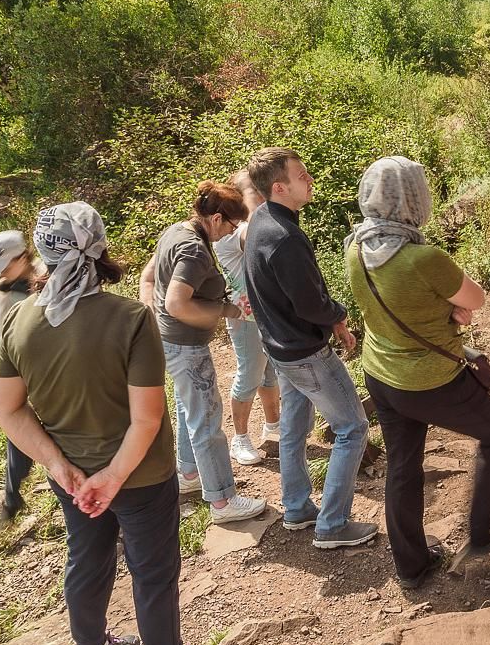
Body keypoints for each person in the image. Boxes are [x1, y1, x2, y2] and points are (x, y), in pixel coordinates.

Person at [0, 202, 182, 645]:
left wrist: (59, 467)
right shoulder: (131, 317)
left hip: (72, 477)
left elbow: (5, 407)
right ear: (97, 245)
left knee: (87, 560)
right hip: (142, 475)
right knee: (153, 576)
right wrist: (112, 478)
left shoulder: (19, 317)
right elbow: (146, 417)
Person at [344, 156, 490, 589]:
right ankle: (479, 534)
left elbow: (401, 305)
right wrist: (454, 312)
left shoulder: (356, 247)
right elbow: (474, 300)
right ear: (414, 199)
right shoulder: (424, 257)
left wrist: (447, 310)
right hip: (431, 381)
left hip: (381, 374)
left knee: (403, 465)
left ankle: (411, 566)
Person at [243, 147, 377, 549]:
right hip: (304, 352)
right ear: (280, 187)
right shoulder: (283, 237)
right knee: (353, 428)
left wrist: (329, 316)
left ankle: (298, 508)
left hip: (280, 347)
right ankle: (333, 525)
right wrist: (337, 315)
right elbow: (309, 304)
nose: (310, 179)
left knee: (294, 429)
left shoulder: (262, 221)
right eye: (302, 175)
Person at [139, 182, 267, 524]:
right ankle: (223, 501)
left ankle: (190, 474)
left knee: (187, 408)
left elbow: (149, 277)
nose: (229, 233)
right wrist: (227, 311)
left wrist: (154, 317)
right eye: (229, 225)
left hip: (170, 340)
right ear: (215, 218)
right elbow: (177, 303)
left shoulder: (175, 231)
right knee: (207, 418)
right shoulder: (194, 250)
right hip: (186, 346)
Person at [213, 169, 281, 465]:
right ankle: (239, 438)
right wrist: (247, 186)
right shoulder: (228, 235)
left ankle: (274, 426)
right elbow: (254, 229)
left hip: (263, 312)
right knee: (250, 372)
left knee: (269, 373)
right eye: (254, 191)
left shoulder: (235, 227)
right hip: (243, 316)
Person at [0, 230, 44, 525]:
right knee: (17, 427)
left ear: (24, 257)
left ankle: (12, 497)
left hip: (41, 366)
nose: (1, 273)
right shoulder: (3, 289)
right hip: (14, 368)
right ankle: (12, 496)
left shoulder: (43, 278)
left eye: (6, 265)